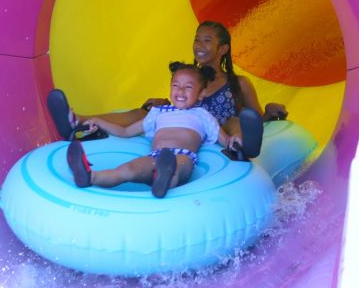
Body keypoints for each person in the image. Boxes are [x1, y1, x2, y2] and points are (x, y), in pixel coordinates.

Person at [48, 21, 286, 159]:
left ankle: (241, 147)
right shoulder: (189, 76)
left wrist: (270, 111)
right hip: (185, 127)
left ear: (223, 48)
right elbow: (183, 103)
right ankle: (77, 120)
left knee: (236, 119)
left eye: (206, 41)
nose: (198, 46)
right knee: (144, 112)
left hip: (218, 131)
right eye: (196, 39)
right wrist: (164, 103)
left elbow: (253, 119)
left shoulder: (238, 83)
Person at [66, 62, 240, 198]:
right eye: (175, 85)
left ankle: (163, 181)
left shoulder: (202, 115)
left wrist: (235, 141)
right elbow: (125, 132)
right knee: (127, 170)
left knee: (176, 166)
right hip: (156, 156)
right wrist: (98, 121)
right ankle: (89, 177)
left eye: (188, 87)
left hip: (183, 156)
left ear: (201, 93)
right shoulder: (158, 112)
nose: (180, 91)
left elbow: (224, 140)